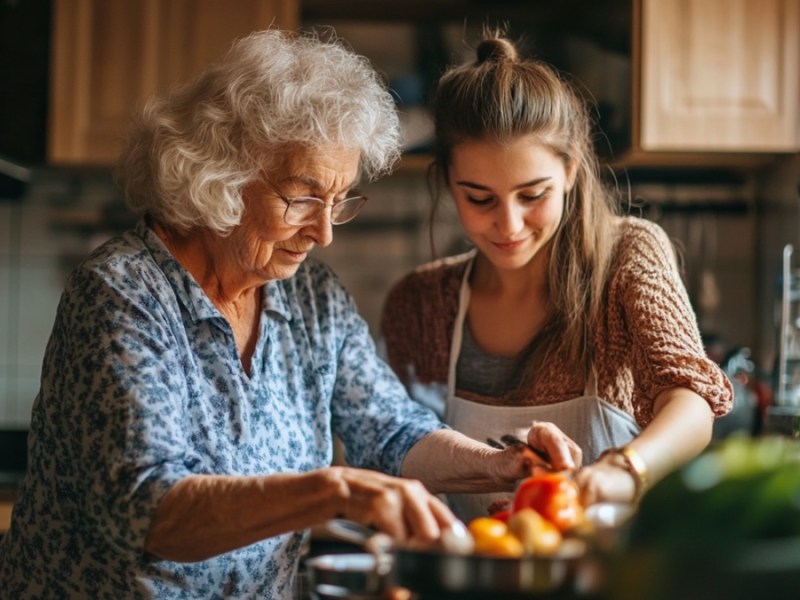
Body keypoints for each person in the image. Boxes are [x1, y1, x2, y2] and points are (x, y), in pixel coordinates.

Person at [0, 29, 537, 599]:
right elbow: (150, 511)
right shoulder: (124, 294)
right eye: (302, 198)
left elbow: (390, 429)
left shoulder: (312, 298)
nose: (325, 232)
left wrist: (500, 463)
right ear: (222, 174)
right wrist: (334, 491)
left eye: (339, 201)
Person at [380, 30, 734, 521]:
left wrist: (623, 470)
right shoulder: (419, 304)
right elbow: (396, 447)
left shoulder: (627, 253)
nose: (509, 225)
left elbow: (690, 401)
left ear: (569, 170)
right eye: (479, 199)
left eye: (532, 195)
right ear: (446, 182)